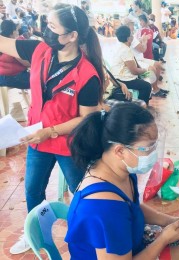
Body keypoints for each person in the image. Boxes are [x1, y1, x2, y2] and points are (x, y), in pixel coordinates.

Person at [0, 4, 104, 254]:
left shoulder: (87, 74)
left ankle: (85, 237)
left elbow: (86, 118)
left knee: (80, 193)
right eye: (46, 24)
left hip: (70, 145)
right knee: (33, 190)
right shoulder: (40, 50)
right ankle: (38, 232)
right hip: (38, 139)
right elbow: (3, 43)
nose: (45, 30)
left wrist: (52, 131)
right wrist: (42, 133)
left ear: (72, 36)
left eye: (52, 27)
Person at [66, 103, 179, 259]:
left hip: (131, 247)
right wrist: (163, 239)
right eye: (148, 148)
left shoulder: (121, 171)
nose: (153, 153)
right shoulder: (104, 207)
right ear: (120, 150)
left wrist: (169, 221)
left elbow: (133, 206)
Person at [111, 25, 165, 104]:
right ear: (129, 38)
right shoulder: (125, 50)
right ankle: (140, 106)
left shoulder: (121, 46)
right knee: (146, 86)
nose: (132, 36)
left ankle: (145, 100)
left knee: (146, 78)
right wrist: (145, 70)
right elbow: (134, 71)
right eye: (131, 34)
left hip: (118, 77)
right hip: (122, 79)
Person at [0, 19, 30, 88]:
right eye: (17, 30)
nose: (18, 32)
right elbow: (26, 63)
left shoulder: (2, 42)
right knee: (40, 80)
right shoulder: (13, 45)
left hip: (1, 77)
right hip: (13, 78)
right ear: (13, 32)